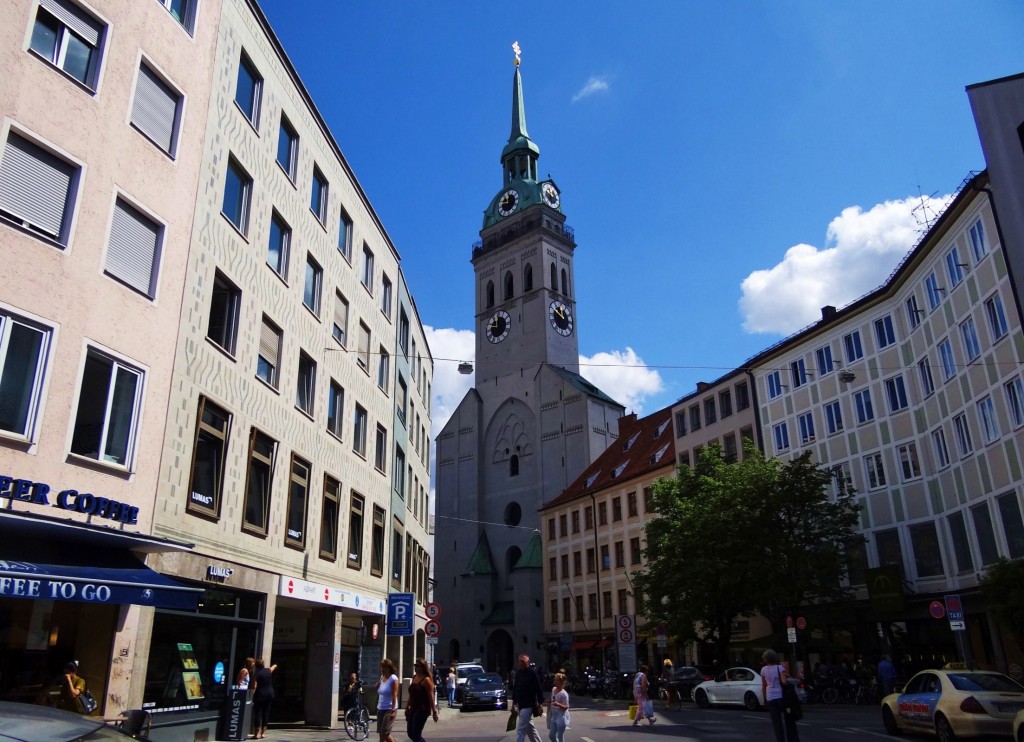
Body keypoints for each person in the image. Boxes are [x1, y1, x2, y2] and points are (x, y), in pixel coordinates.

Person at [760, 650, 799, 742]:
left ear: (765, 659)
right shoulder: (779, 668)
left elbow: (764, 685)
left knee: (777, 723)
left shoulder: (763, 670)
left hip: (770, 697)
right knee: (788, 720)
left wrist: (764, 698)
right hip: (781, 697)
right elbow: (784, 682)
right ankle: (792, 739)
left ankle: (780, 740)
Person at [510, 654, 543, 742]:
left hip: (528, 704)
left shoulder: (532, 673)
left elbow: (538, 688)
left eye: (523, 662)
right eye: (520, 661)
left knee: (521, 729)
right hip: (520, 704)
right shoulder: (518, 672)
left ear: (527, 662)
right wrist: (513, 704)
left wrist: (540, 704)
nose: (521, 663)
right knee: (529, 728)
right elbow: (515, 688)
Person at [405, 657, 438, 742]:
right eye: (415, 665)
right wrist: (407, 706)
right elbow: (411, 694)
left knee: (416, 734)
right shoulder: (414, 677)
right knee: (410, 733)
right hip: (413, 708)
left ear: (422, 667)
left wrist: (434, 712)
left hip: (422, 709)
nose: (415, 667)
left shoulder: (426, 680)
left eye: (417, 665)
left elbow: (431, 696)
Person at [251, 658, 277, 739]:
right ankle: (263, 733)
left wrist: (252, 695)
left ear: (256, 665)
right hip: (269, 694)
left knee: (258, 713)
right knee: (266, 713)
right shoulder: (268, 670)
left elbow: (254, 686)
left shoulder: (256, 674)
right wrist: (275, 665)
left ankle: (256, 733)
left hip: (259, 695)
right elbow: (274, 666)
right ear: (263, 664)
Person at [377, 658, 399, 742]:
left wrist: (393, 710)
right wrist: (377, 686)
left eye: (384, 667)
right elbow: (381, 692)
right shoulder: (382, 677)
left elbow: (394, 695)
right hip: (380, 707)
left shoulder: (393, 678)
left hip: (389, 709)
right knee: (381, 734)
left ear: (389, 668)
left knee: (385, 733)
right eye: (381, 667)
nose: (382, 669)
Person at [547, 672, 570, 742]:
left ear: (561, 682)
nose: (555, 681)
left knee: (560, 736)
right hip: (554, 717)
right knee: (551, 735)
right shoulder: (553, 689)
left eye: (556, 680)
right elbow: (552, 699)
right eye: (555, 680)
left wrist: (558, 704)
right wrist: (549, 701)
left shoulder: (564, 694)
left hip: (561, 718)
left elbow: (566, 707)